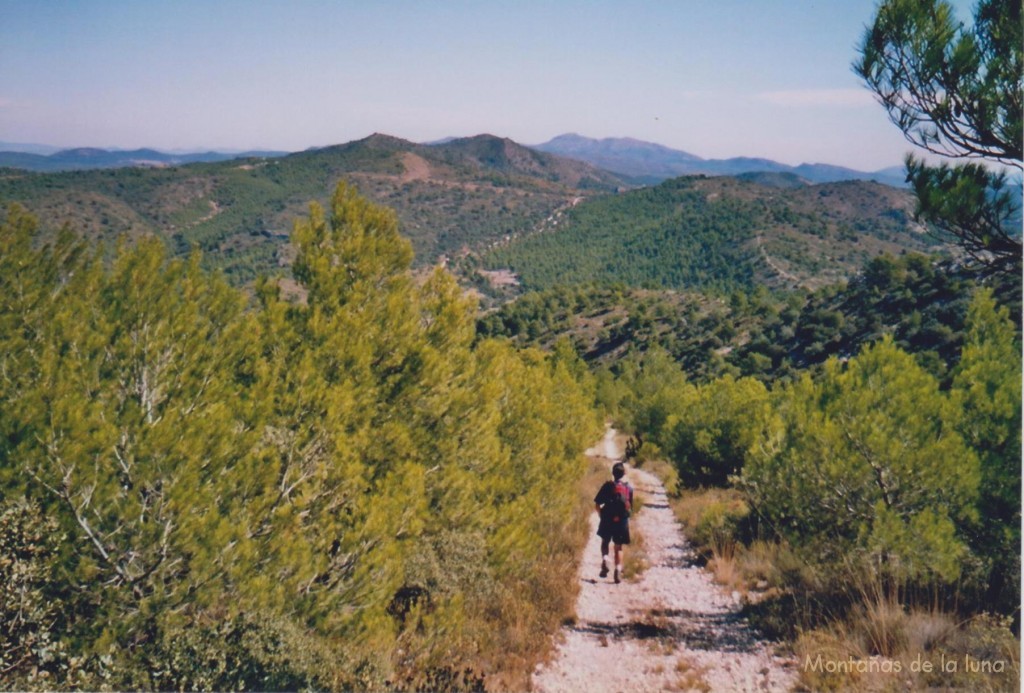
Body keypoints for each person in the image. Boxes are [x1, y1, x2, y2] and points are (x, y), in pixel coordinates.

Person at [594, 461, 633, 584]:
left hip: (607, 518)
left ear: (613, 473)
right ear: (624, 474)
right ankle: (618, 569)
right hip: (621, 520)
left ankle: (605, 559)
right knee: (618, 547)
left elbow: (597, 504)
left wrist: (601, 515)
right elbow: (630, 507)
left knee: (605, 542)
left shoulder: (607, 486)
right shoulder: (628, 488)